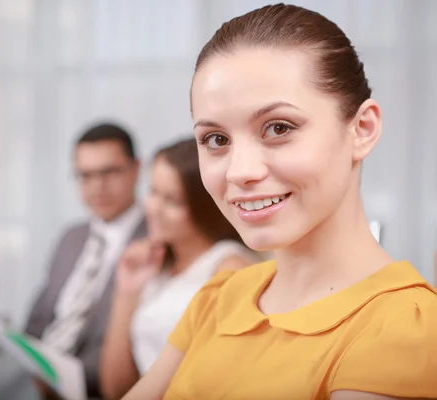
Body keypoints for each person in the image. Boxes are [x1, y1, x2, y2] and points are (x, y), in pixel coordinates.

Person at [123, 4, 437, 400]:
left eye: (278, 128)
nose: (239, 171)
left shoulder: (403, 327)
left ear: (362, 129)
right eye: (216, 139)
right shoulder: (220, 296)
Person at [100, 138, 258, 400]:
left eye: (172, 201)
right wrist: (126, 292)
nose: (153, 208)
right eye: (152, 191)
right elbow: (115, 388)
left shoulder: (230, 268)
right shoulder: (155, 266)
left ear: (203, 207)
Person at [24, 123, 147, 399]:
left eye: (109, 172)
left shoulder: (156, 240)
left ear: (136, 169)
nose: (97, 186)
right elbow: (37, 320)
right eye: (85, 175)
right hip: (36, 382)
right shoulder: (71, 238)